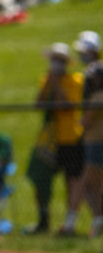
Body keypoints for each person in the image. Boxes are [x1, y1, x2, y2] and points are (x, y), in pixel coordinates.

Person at [24, 43, 84, 235]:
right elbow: (39, 104)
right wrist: (49, 82)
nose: (56, 64)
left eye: (60, 60)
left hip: (69, 138)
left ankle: (69, 223)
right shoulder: (46, 79)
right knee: (39, 176)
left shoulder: (75, 80)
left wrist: (57, 84)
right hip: (49, 140)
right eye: (54, 60)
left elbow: (67, 106)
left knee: (71, 180)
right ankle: (43, 219)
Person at [73, 31, 103, 237]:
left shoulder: (98, 96)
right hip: (92, 141)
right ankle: (98, 220)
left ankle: (71, 221)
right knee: (92, 185)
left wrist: (81, 124)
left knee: (87, 182)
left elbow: (86, 120)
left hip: (97, 142)